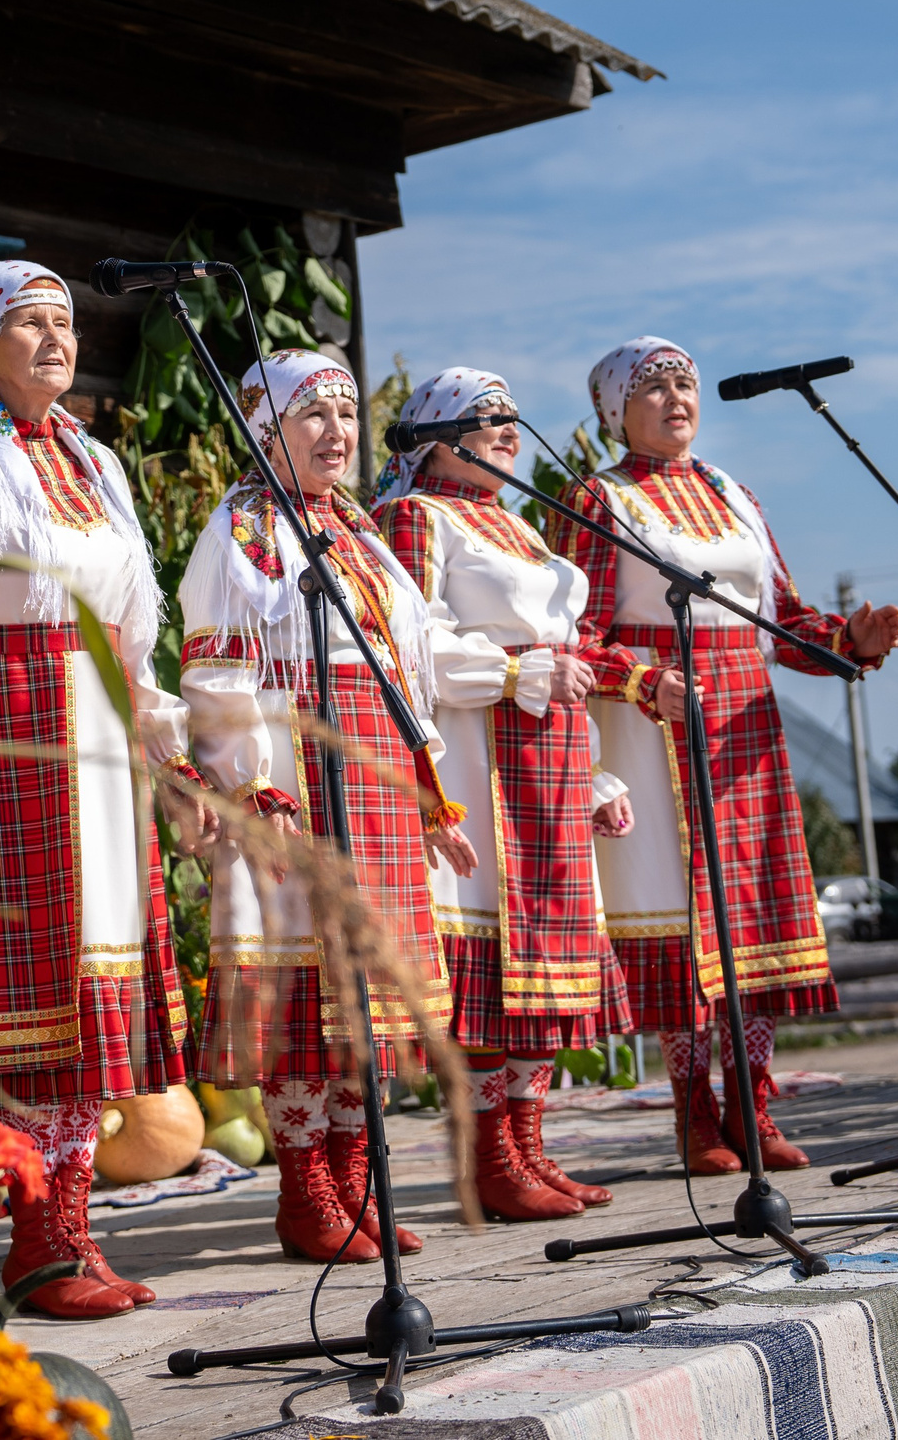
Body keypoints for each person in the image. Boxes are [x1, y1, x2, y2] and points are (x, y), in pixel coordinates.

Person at [0, 260, 205, 1320]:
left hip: (97, 736)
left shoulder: (95, 462)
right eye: (27, 318)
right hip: (7, 732)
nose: (56, 336)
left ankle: (68, 1228)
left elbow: (129, 631)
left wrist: (167, 753)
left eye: (65, 319)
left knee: (91, 979)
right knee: (27, 989)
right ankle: (36, 1239)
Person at [552, 339, 898, 1174]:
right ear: (615, 411)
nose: (677, 397)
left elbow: (782, 617)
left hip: (744, 719)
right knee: (682, 912)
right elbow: (574, 632)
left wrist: (848, 639)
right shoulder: (598, 500)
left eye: (686, 383)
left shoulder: (733, 493)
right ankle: (692, 1110)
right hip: (657, 725)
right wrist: (642, 680)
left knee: (748, 907)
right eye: (655, 387)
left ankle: (753, 1098)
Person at [179, 349, 473, 1263]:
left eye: (347, 414)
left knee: (364, 997)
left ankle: (357, 1182)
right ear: (268, 427)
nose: (337, 432)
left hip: (371, 765)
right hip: (299, 768)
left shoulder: (354, 532)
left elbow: (398, 673)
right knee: (307, 988)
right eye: (313, 415)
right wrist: (251, 784)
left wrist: (426, 791)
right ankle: (308, 1191)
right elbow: (219, 667)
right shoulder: (245, 524)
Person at [371, 367, 635, 1221]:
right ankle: (491, 1159)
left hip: (548, 753)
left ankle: (530, 1145)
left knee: (547, 960)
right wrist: (514, 671)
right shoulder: (416, 516)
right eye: (488, 418)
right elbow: (409, 641)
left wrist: (593, 771)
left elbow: (564, 653)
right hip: (482, 750)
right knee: (493, 955)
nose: (508, 430)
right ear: (438, 433)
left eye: (513, 416)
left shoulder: (518, 526)